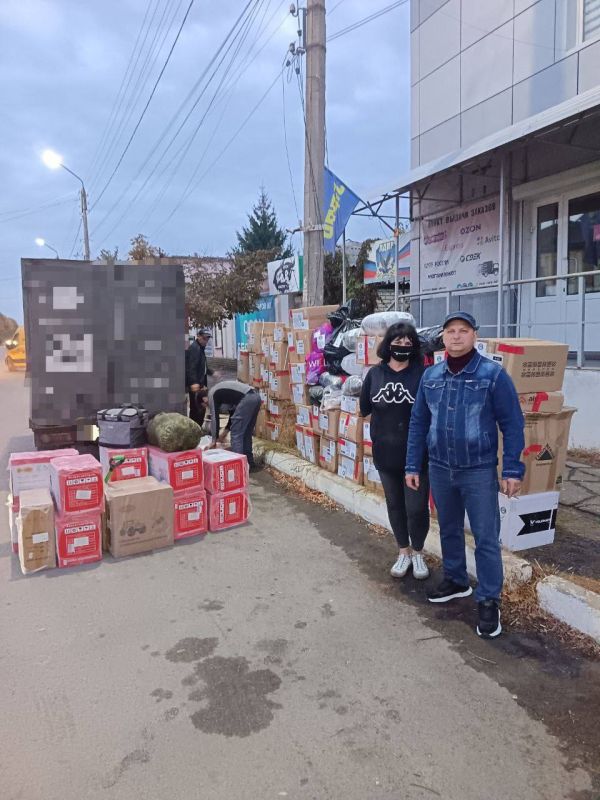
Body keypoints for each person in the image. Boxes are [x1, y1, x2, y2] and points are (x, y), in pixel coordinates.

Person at [405, 311, 525, 639]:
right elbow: (418, 422)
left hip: (478, 471)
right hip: (440, 468)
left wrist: (512, 468)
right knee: (449, 529)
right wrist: (413, 464)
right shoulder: (431, 377)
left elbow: (512, 424)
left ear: (474, 336)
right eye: (450, 331)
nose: (456, 336)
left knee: (486, 538)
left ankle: (488, 599)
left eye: (464, 331)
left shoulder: (493, 375)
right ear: (442, 338)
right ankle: (456, 580)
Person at [360, 322, 430, 580]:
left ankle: (419, 553)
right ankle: (403, 551)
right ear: (387, 344)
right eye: (397, 341)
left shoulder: (422, 375)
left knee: (416, 508)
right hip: (385, 454)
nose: (402, 346)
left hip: (416, 456)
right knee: (395, 505)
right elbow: (365, 408)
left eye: (407, 342)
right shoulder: (375, 375)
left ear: (414, 347)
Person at [198, 380, 262, 471]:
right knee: (245, 434)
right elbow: (233, 414)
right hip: (255, 397)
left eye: (205, 405)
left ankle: (239, 469)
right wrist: (224, 432)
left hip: (247, 399)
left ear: (204, 399)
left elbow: (214, 418)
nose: (208, 407)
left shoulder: (212, 394)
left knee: (236, 435)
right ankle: (250, 465)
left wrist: (214, 440)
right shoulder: (223, 393)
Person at [186, 329, 217, 426]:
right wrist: (193, 382)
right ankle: (194, 429)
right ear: (198, 336)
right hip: (196, 385)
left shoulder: (200, 348)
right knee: (197, 409)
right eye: (204, 338)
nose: (206, 341)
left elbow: (202, 367)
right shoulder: (195, 348)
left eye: (207, 339)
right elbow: (191, 367)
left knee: (201, 408)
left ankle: (197, 428)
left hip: (200, 384)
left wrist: (211, 372)